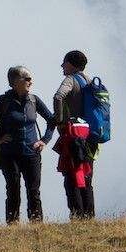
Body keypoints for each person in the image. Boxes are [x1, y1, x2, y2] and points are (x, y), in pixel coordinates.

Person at [0, 65, 54, 224]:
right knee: (13, 190)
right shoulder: (4, 101)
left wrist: (44, 141)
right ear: (15, 81)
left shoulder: (34, 100)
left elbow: (52, 121)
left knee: (34, 191)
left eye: (31, 79)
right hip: (9, 154)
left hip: (32, 153)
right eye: (27, 79)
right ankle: (13, 224)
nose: (31, 82)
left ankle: (36, 224)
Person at [52, 49, 97, 221]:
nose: (62, 65)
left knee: (72, 175)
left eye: (64, 62)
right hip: (90, 136)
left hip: (74, 134)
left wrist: (59, 120)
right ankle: (89, 216)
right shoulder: (90, 82)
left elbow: (58, 97)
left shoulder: (70, 80)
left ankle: (77, 216)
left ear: (71, 64)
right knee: (86, 174)